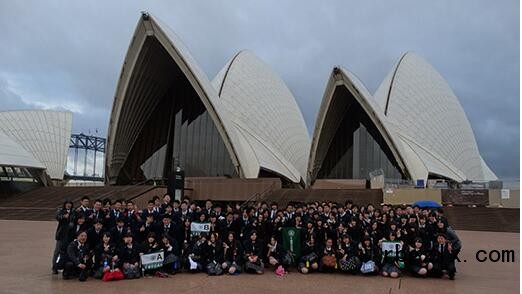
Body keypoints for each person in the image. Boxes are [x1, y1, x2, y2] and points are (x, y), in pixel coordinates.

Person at [52, 200, 73, 274]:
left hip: (70, 235)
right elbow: (57, 217)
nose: (68, 205)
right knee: (57, 251)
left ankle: (64, 267)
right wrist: (63, 216)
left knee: (67, 251)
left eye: (70, 204)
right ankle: (54, 266)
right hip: (61, 235)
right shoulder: (61, 211)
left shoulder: (73, 212)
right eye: (67, 204)